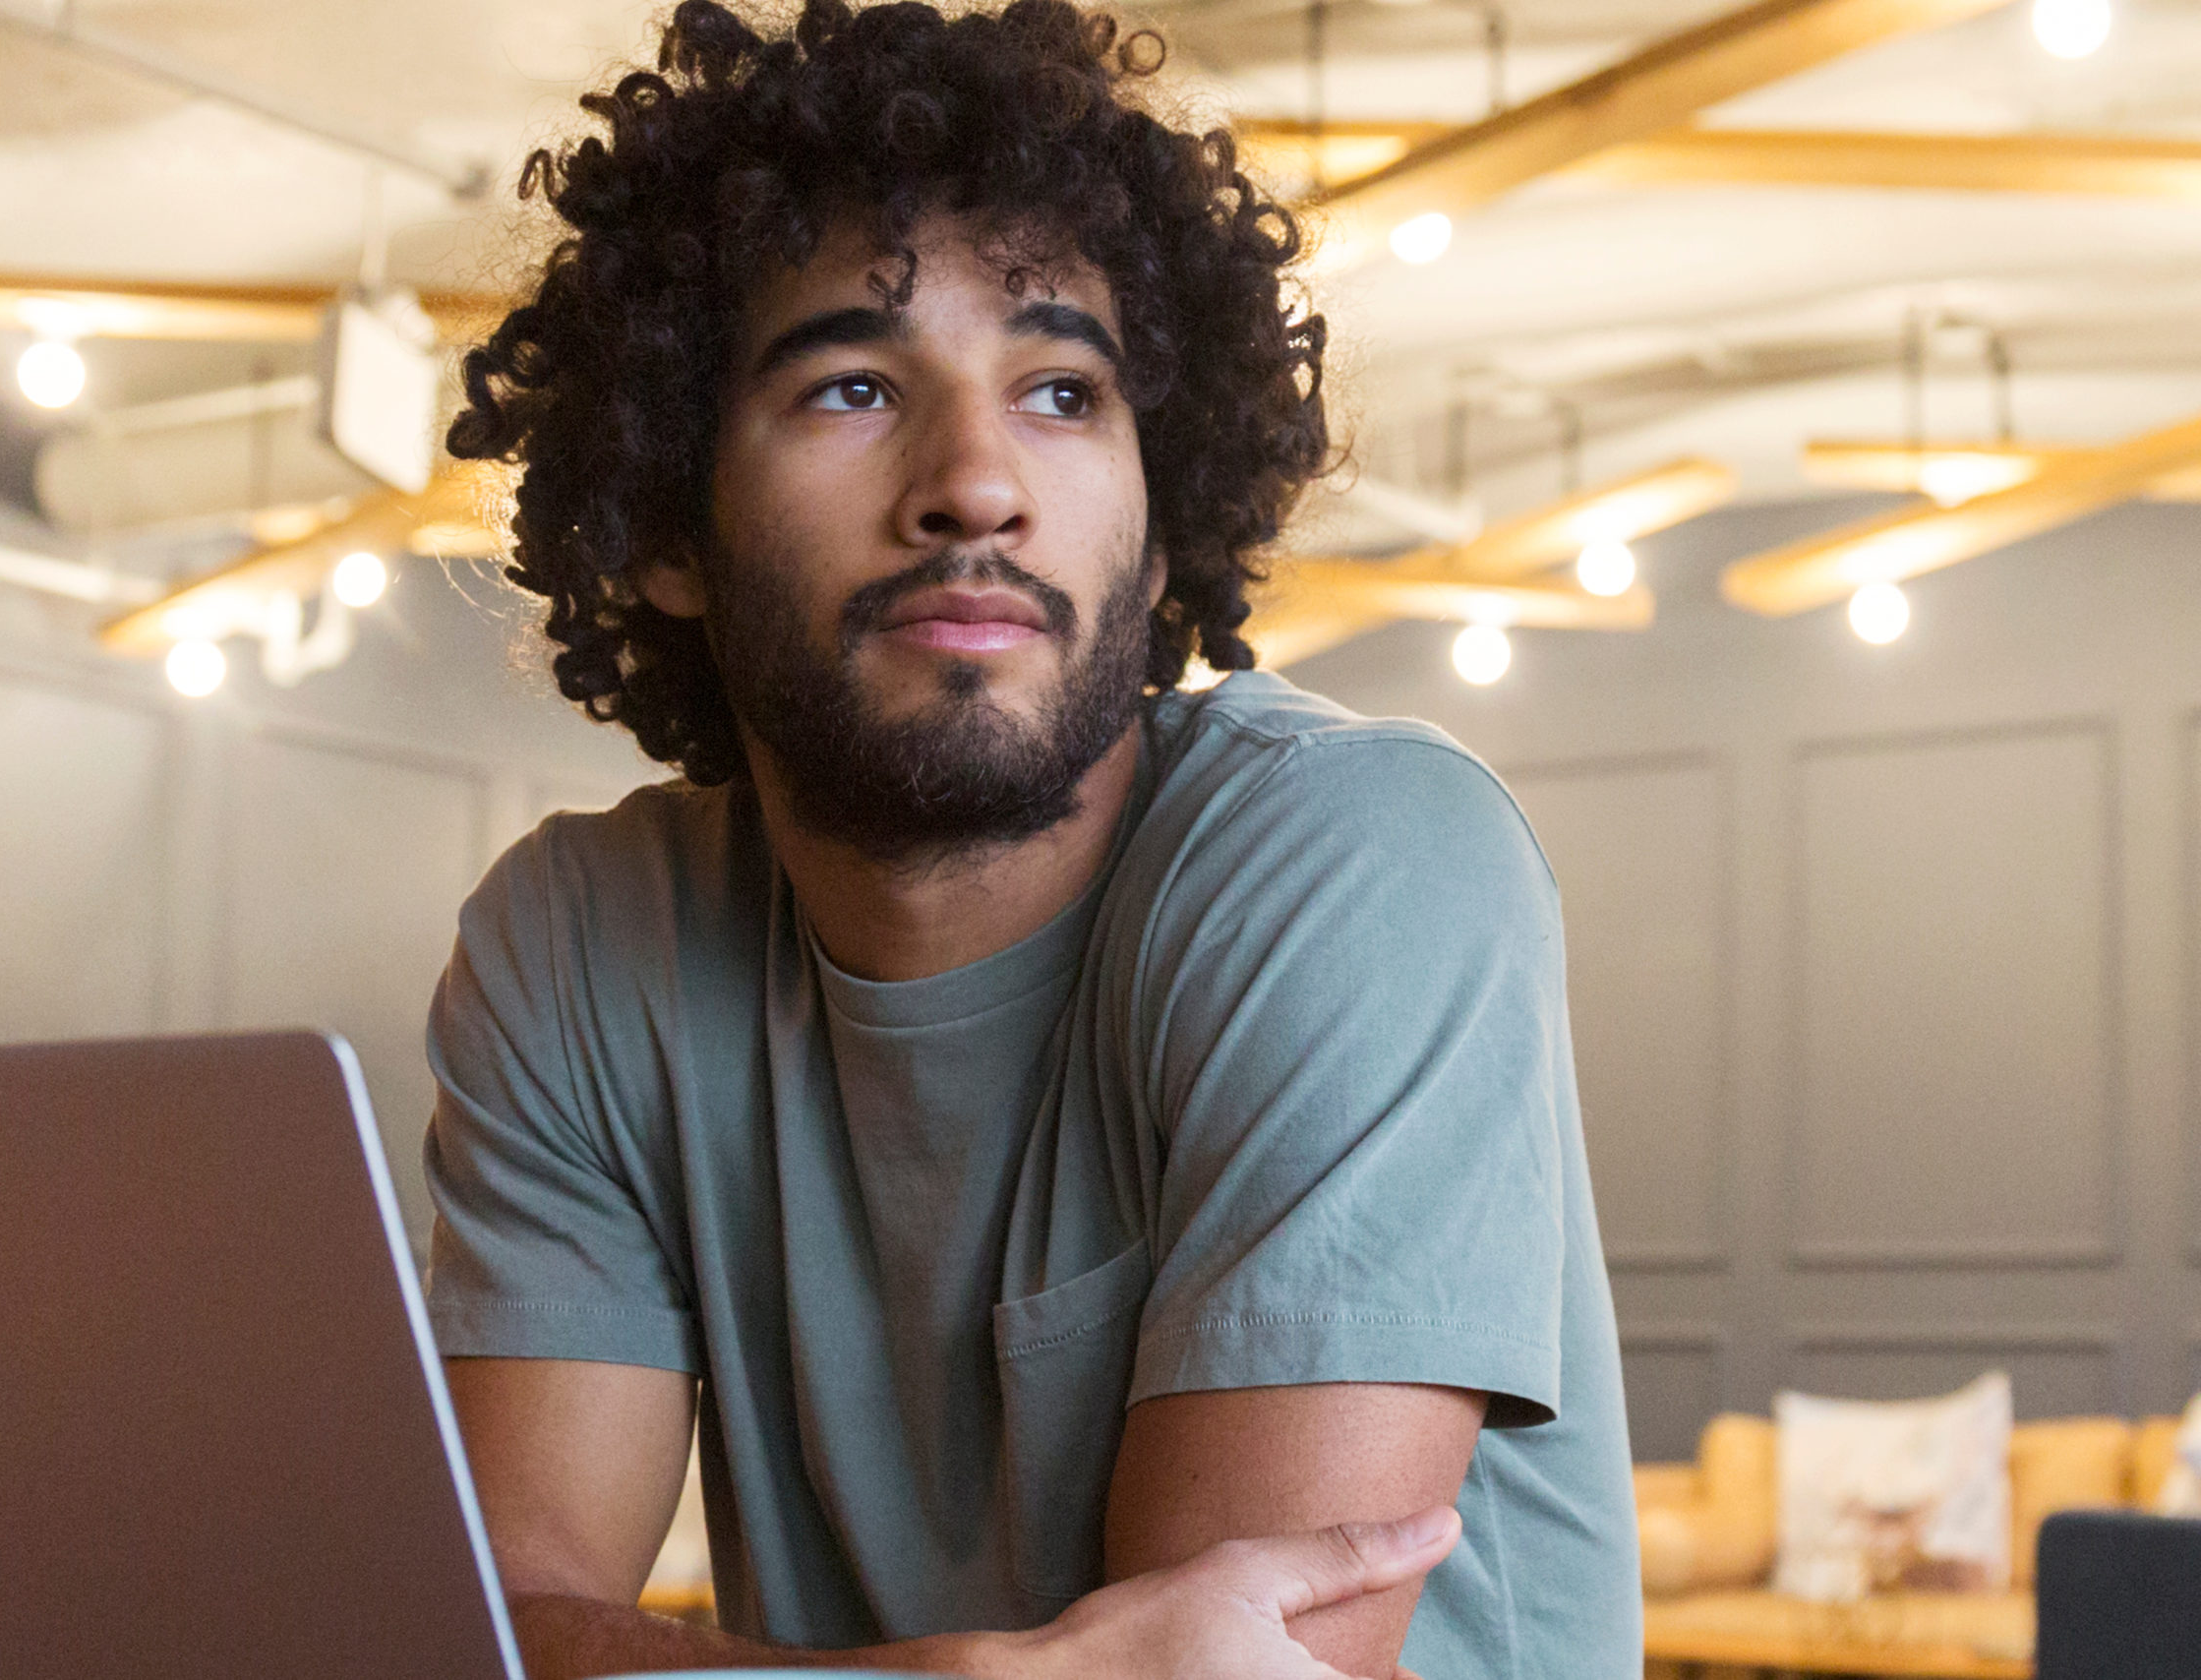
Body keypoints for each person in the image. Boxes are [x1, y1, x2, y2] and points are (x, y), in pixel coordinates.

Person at [422, 2, 1642, 1676]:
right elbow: (478, 1629)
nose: (978, 484)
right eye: (854, 384)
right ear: (664, 530)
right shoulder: (579, 944)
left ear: (1156, 541)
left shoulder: (1364, 860)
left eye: (1063, 391)